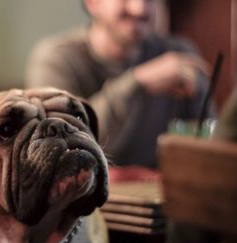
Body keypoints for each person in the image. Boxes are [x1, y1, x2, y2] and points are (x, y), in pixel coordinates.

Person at [26, 0, 212, 168]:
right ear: (93, 3)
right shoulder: (56, 60)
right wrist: (137, 82)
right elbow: (66, 146)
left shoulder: (179, 54)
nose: (139, 8)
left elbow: (210, 141)